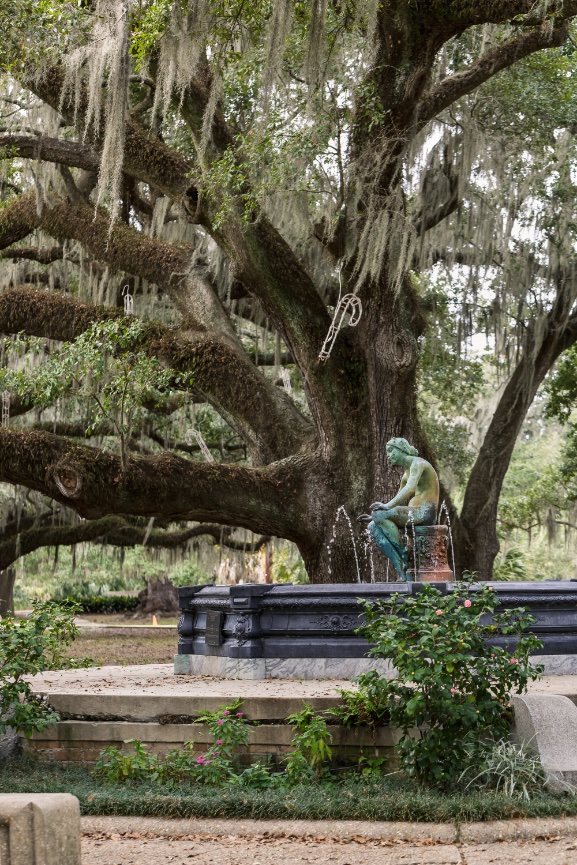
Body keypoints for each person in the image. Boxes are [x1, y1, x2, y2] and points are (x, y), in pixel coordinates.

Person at [358, 438, 439, 580]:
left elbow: (410, 489)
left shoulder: (418, 463)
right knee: (372, 526)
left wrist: (386, 507)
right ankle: (402, 569)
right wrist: (374, 517)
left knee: (378, 515)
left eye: (391, 451)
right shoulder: (406, 474)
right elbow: (399, 500)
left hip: (425, 511)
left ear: (401, 450)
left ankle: (405, 555)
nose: (388, 456)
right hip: (413, 512)